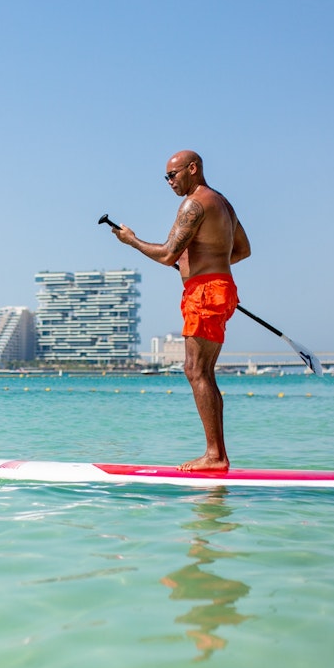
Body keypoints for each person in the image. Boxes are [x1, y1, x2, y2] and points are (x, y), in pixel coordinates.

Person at [112, 150, 251, 471]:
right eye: (166, 177)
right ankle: (216, 455)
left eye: (173, 175)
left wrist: (131, 240)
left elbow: (165, 254)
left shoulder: (194, 204)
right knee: (202, 371)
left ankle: (215, 456)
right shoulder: (222, 203)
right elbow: (242, 250)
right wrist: (203, 265)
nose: (169, 182)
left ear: (193, 169)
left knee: (196, 371)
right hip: (218, 288)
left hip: (206, 293)